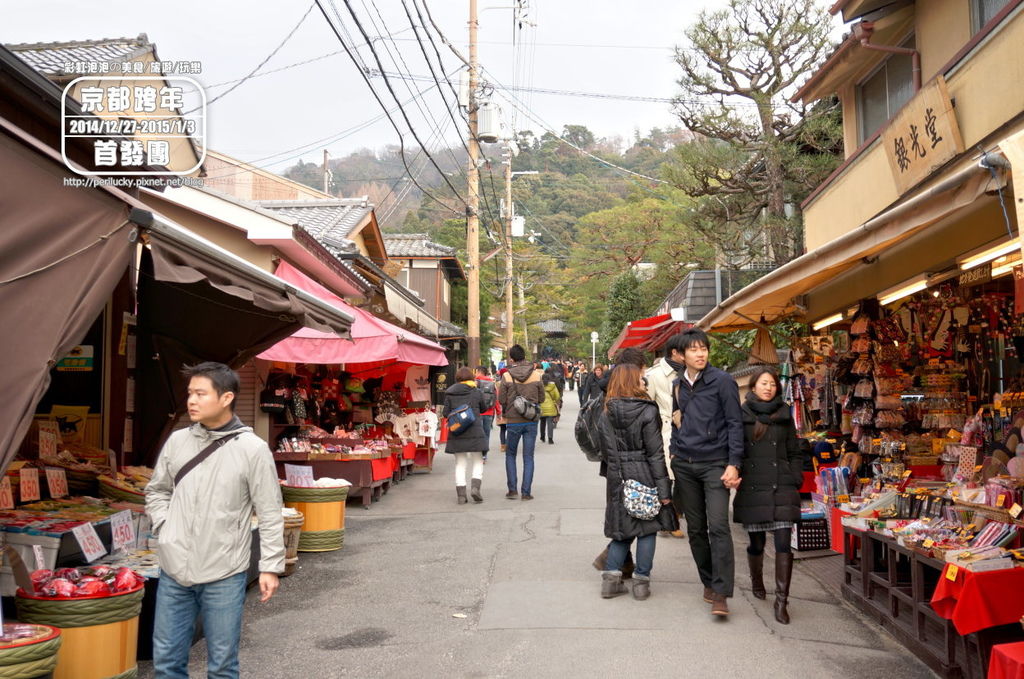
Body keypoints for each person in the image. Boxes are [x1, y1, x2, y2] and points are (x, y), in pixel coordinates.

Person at [146, 362, 284, 679]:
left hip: (225, 570)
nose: (191, 401)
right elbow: (157, 491)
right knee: (166, 663)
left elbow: (270, 510)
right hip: (174, 569)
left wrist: (270, 566)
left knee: (222, 666)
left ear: (226, 398)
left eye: (200, 393)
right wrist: (166, 528)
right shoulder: (178, 441)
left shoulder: (252, 449)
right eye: (190, 393)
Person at [668, 328, 744, 617]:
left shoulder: (722, 381)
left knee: (719, 526)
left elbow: (735, 424)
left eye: (704, 349)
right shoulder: (678, 385)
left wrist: (733, 462)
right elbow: (677, 421)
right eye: (694, 350)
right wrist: (675, 452)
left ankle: (722, 593)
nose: (700, 354)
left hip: (715, 464)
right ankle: (709, 582)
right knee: (696, 530)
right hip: (685, 465)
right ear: (681, 355)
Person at [598, 363, 677, 600]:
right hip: (644, 472)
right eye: (642, 378)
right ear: (634, 381)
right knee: (647, 529)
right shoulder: (647, 411)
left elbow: (605, 451)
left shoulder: (606, 412)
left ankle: (611, 581)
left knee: (622, 529)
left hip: (617, 476)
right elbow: (655, 453)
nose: (645, 381)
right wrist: (664, 490)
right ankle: (641, 583)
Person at [732, 367, 802, 624]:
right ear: (753, 388)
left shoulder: (785, 415)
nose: (768, 387)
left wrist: (795, 476)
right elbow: (735, 448)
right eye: (763, 383)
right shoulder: (742, 414)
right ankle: (757, 580)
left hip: (782, 485)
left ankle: (782, 601)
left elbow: (795, 451)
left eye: (772, 384)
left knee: (784, 542)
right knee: (757, 543)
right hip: (754, 486)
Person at [646, 347, 686, 539]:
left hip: (689, 431)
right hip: (664, 431)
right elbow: (647, 405)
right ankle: (668, 520)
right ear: (675, 352)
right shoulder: (654, 375)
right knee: (667, 478)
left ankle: (675, 516)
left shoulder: (692, 373)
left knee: (682, 478)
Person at [497, 344, 545, 500]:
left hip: (513, 420)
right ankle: (526, 492)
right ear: (525, 356)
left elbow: (501, 399)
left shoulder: (507, 376)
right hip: (531, 420)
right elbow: (542, 398)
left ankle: (512, 490)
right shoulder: (536, 374)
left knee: (510, 454)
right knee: (528, 456)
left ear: (512, 358)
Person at [442, 366, 488, 503]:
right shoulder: (476, 392)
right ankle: (475, 488)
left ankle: (461, 495)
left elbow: (445, 413)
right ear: (471, 378)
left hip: (457, 431)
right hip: (475, 431)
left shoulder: (449, 393)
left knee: (460, 463)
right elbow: (484, 408)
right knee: (478, 460)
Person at [475, 365, 497, 462]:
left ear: (479, 372)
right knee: (486, 434)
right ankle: (484, 455)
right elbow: (496, 398)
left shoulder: (475, 382)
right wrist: (499, 412)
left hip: (477, 412)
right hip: (489, 412)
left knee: (477, 434)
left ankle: (478, 454)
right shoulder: (492, 383)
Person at [539, 369, 561, 445]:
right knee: (550, 423)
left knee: (542, 422)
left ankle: (542, 436)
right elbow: (557, 396)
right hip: (551, 407)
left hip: (541, 407)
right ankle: (550, 438)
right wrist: (554, 401)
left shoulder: (539, 386)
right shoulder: (553, 386)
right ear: (549, 379)